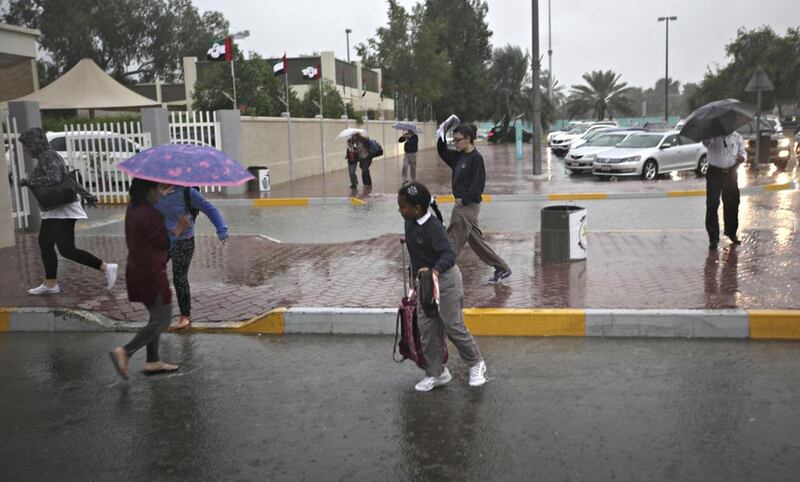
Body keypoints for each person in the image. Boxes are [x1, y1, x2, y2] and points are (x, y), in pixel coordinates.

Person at [397, 181, 487, 392]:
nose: (400, 210)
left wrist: (434, 271)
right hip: (425, 283)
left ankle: (476, 363)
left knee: (452, 326)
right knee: (427, 330)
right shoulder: (410, 221)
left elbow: (448, 254)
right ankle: (436, 373)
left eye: (403, 206)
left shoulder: (433, 227)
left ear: (417, 208)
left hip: (445, 280)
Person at [17, 127, 118, 295]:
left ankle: (107, 267)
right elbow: (68, 179)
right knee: (46, 244)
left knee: (67, 250)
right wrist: (87, 195)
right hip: (55, 209)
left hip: (63, 209)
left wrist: (30, 181)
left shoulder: (48, 156)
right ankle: (51, 284)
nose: (25, 149)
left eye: (26, 145)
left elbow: (56, 178)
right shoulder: (47, 156)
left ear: (34, 143)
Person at [109, 179, 189, 380]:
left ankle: (153, 360)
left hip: (136, 269)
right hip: (151, 272)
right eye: (157, 188)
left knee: (155, 316)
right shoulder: (151, 214)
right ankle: (125, 351)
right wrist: (178, 230)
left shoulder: (133, 209)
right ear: (148, 191)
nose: (160, 192)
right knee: (162, 319)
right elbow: (162, 243)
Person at [437, 124, 511, 284]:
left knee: (453, 239)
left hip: (466, 206)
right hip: (463, 204)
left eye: (457, 140)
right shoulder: (458, 156)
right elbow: (442, 152)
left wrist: (464, 200)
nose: (455, 143)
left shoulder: (476, 159)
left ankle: (442, 273)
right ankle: (502, 268)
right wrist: (441, 134)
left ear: (468, 139)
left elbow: (478, 186)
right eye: (453, 140)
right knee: (477, 242)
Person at [156, 184, 228, 330]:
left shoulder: (187, 192)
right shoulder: (153, 192)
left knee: (179, 277)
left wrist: (221, 229)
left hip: (184, 240)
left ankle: (185, 315)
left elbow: (209, 209)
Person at [702, 130, 746, 250]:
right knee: (712, 204)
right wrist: (711, 135)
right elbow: (706, 143)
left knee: (732, 203)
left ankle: (731, 232)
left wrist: (741, 158)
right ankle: (713, 238)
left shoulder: (737, 137)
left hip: (731, 172)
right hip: (714, 173)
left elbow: (743, 152)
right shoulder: (712, 136)